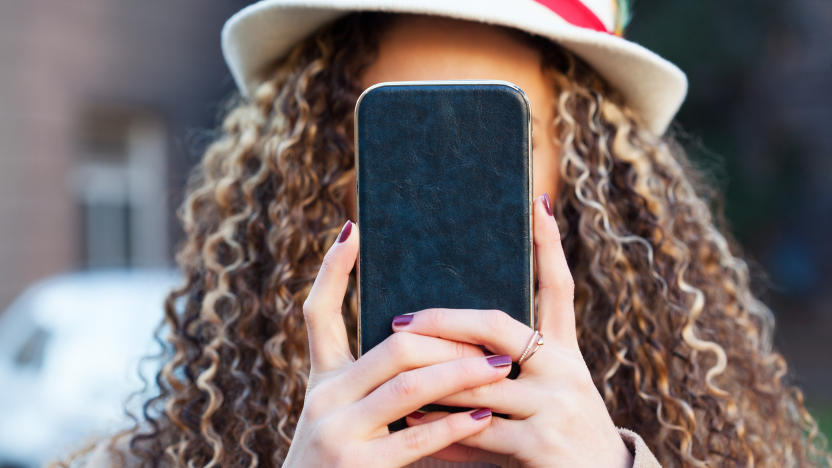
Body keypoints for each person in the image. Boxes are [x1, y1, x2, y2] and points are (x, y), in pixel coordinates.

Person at [59, 1, 830, 467]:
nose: (442, 188)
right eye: (399, 141)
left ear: (591, 179)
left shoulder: (709, 442)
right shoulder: (180, 450)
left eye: (497, 142)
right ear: (312, 173)